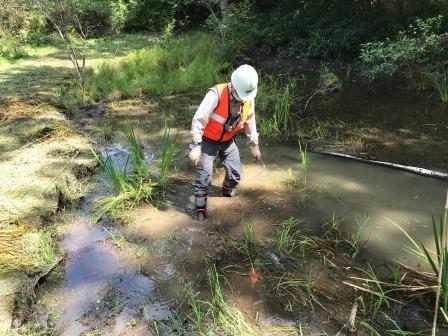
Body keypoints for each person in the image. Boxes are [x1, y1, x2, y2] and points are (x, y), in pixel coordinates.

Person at [188, 64, 262, 221]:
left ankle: (227, 195)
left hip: (228, 141)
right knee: (204, 176)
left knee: (235, 174)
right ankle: (200, 209)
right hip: (207, 140)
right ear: (234, 87)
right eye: (241, 96)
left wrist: (255, 145)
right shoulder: (216, 94)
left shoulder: (248, 97)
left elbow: (250, 120)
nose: (244, 100)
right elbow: (198, 120)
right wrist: (195, 146)